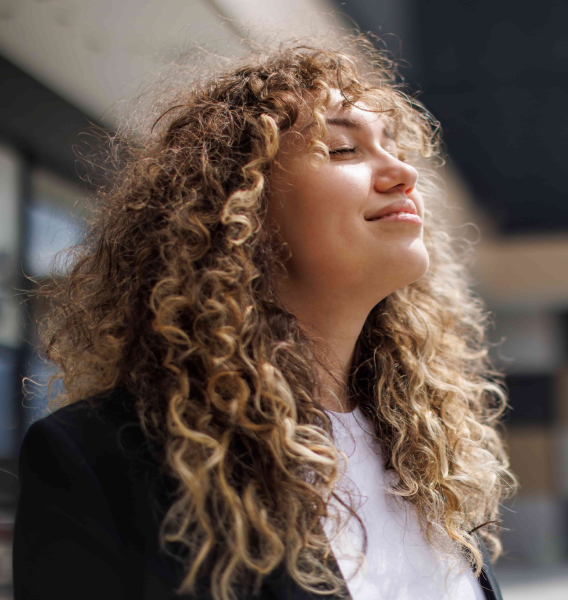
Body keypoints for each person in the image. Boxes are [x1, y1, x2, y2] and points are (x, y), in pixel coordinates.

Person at [13, 36, 516, 600]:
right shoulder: (103, 460)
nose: (403, 173)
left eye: (395, 146)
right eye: (344, 149)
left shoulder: (423, 453)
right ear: (241, 207)